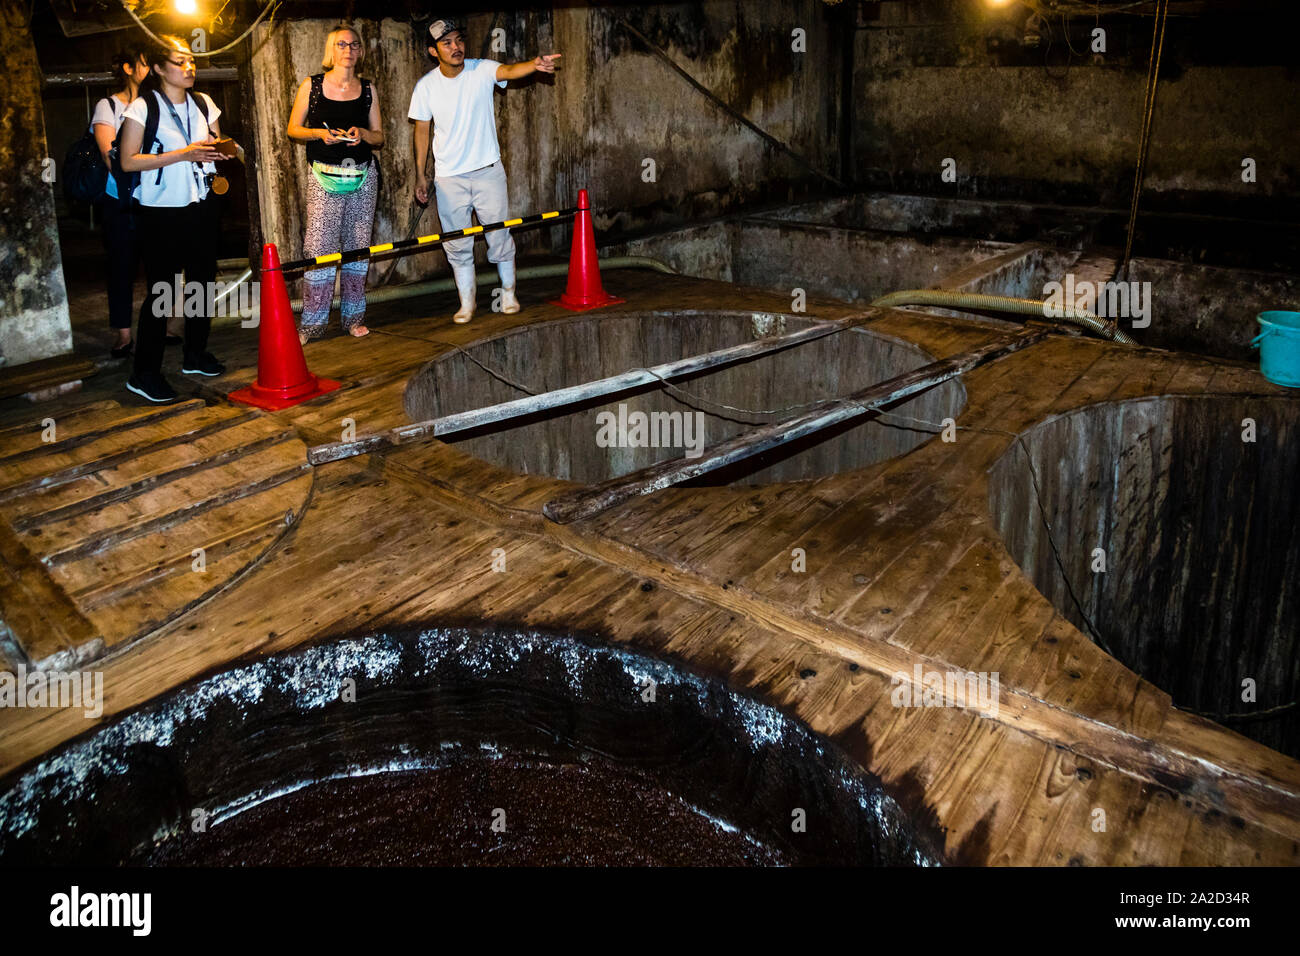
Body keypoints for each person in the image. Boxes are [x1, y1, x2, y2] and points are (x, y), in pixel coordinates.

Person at [408, 18, 559, 323]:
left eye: (459, 40)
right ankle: (467, 303)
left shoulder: (481, 69)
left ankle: (508, 292)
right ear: (433, 51)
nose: (456, 47)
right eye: (447, 43)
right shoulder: (426, 87)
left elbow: (509, 70)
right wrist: (420, 174)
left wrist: (534, 64)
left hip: (488, 170)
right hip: (450, 177)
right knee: (456, 241)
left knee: (499, 233)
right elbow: (421, 131)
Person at [117, 35, 234, 403]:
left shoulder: (204, 103)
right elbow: (127, 161)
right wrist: (182, 154)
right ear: (158, 68)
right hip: (159, 210)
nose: (190, 67)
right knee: (162, 291)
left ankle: (194, 354)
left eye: (192, 60)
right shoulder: (142, 107)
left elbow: (214, 141)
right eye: (180, 61)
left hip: (200, 202)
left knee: (201, 282)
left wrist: (220, 151)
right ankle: (144, 373)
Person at [286, 23, 385, 345]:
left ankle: (354, 318)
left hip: (362, 175)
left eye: (354, 45)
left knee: (358, 249)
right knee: (319, 248)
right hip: (323, 175)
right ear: (331, 50)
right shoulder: (312, 86)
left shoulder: (368, 88)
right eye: (342, 45)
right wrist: (320, 133)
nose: (348, 50)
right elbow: (293, 129)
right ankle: (312, 325)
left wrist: (362, 134)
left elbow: (379, 136)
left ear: (360, 50)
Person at [91, 46, 150, 357]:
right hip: (121, 201)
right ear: (128, 68)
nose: (149, 69)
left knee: (161, 266)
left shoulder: (155, 105)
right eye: (143, 63)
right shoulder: (108, 106)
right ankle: (124, 334)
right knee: (122, 267)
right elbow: (109, 156)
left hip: (155, 199)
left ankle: (167, 328)